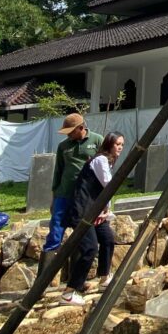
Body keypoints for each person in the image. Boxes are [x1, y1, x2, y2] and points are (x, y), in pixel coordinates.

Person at [60, 132, 124, 306]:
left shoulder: (106, 162)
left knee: (108, 240)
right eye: (117, 144)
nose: (120, 148)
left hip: (95, 211)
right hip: (83, 211)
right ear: (109, 144)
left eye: (122, 145)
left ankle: (104, 277)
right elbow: (108, 184)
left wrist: (106, 209)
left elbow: (105, 189)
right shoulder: (101, 160)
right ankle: (69, 292)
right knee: (89, 249)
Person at [41, 113, 103, 272]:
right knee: (55, 231)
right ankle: (43, 277)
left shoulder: (97, 141)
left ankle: (76, 277)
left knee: (82, 234)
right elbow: (58, 171)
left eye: (71, 131)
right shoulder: (63, 146)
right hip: (64, 193)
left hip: (85, 196)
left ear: (81, 128)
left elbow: (105, 170)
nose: (68, 134)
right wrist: (54, 197)